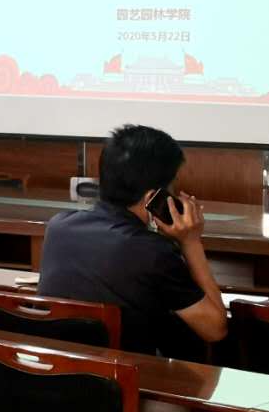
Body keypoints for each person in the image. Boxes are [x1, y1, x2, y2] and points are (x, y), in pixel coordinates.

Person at [39, 124, 226, 357]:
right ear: (153, 198)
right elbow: (215, 329)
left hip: (63, 371)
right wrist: (191, 243)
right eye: (172, 186)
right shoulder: (153, 251)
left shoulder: (58, 226)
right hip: (126, 375)